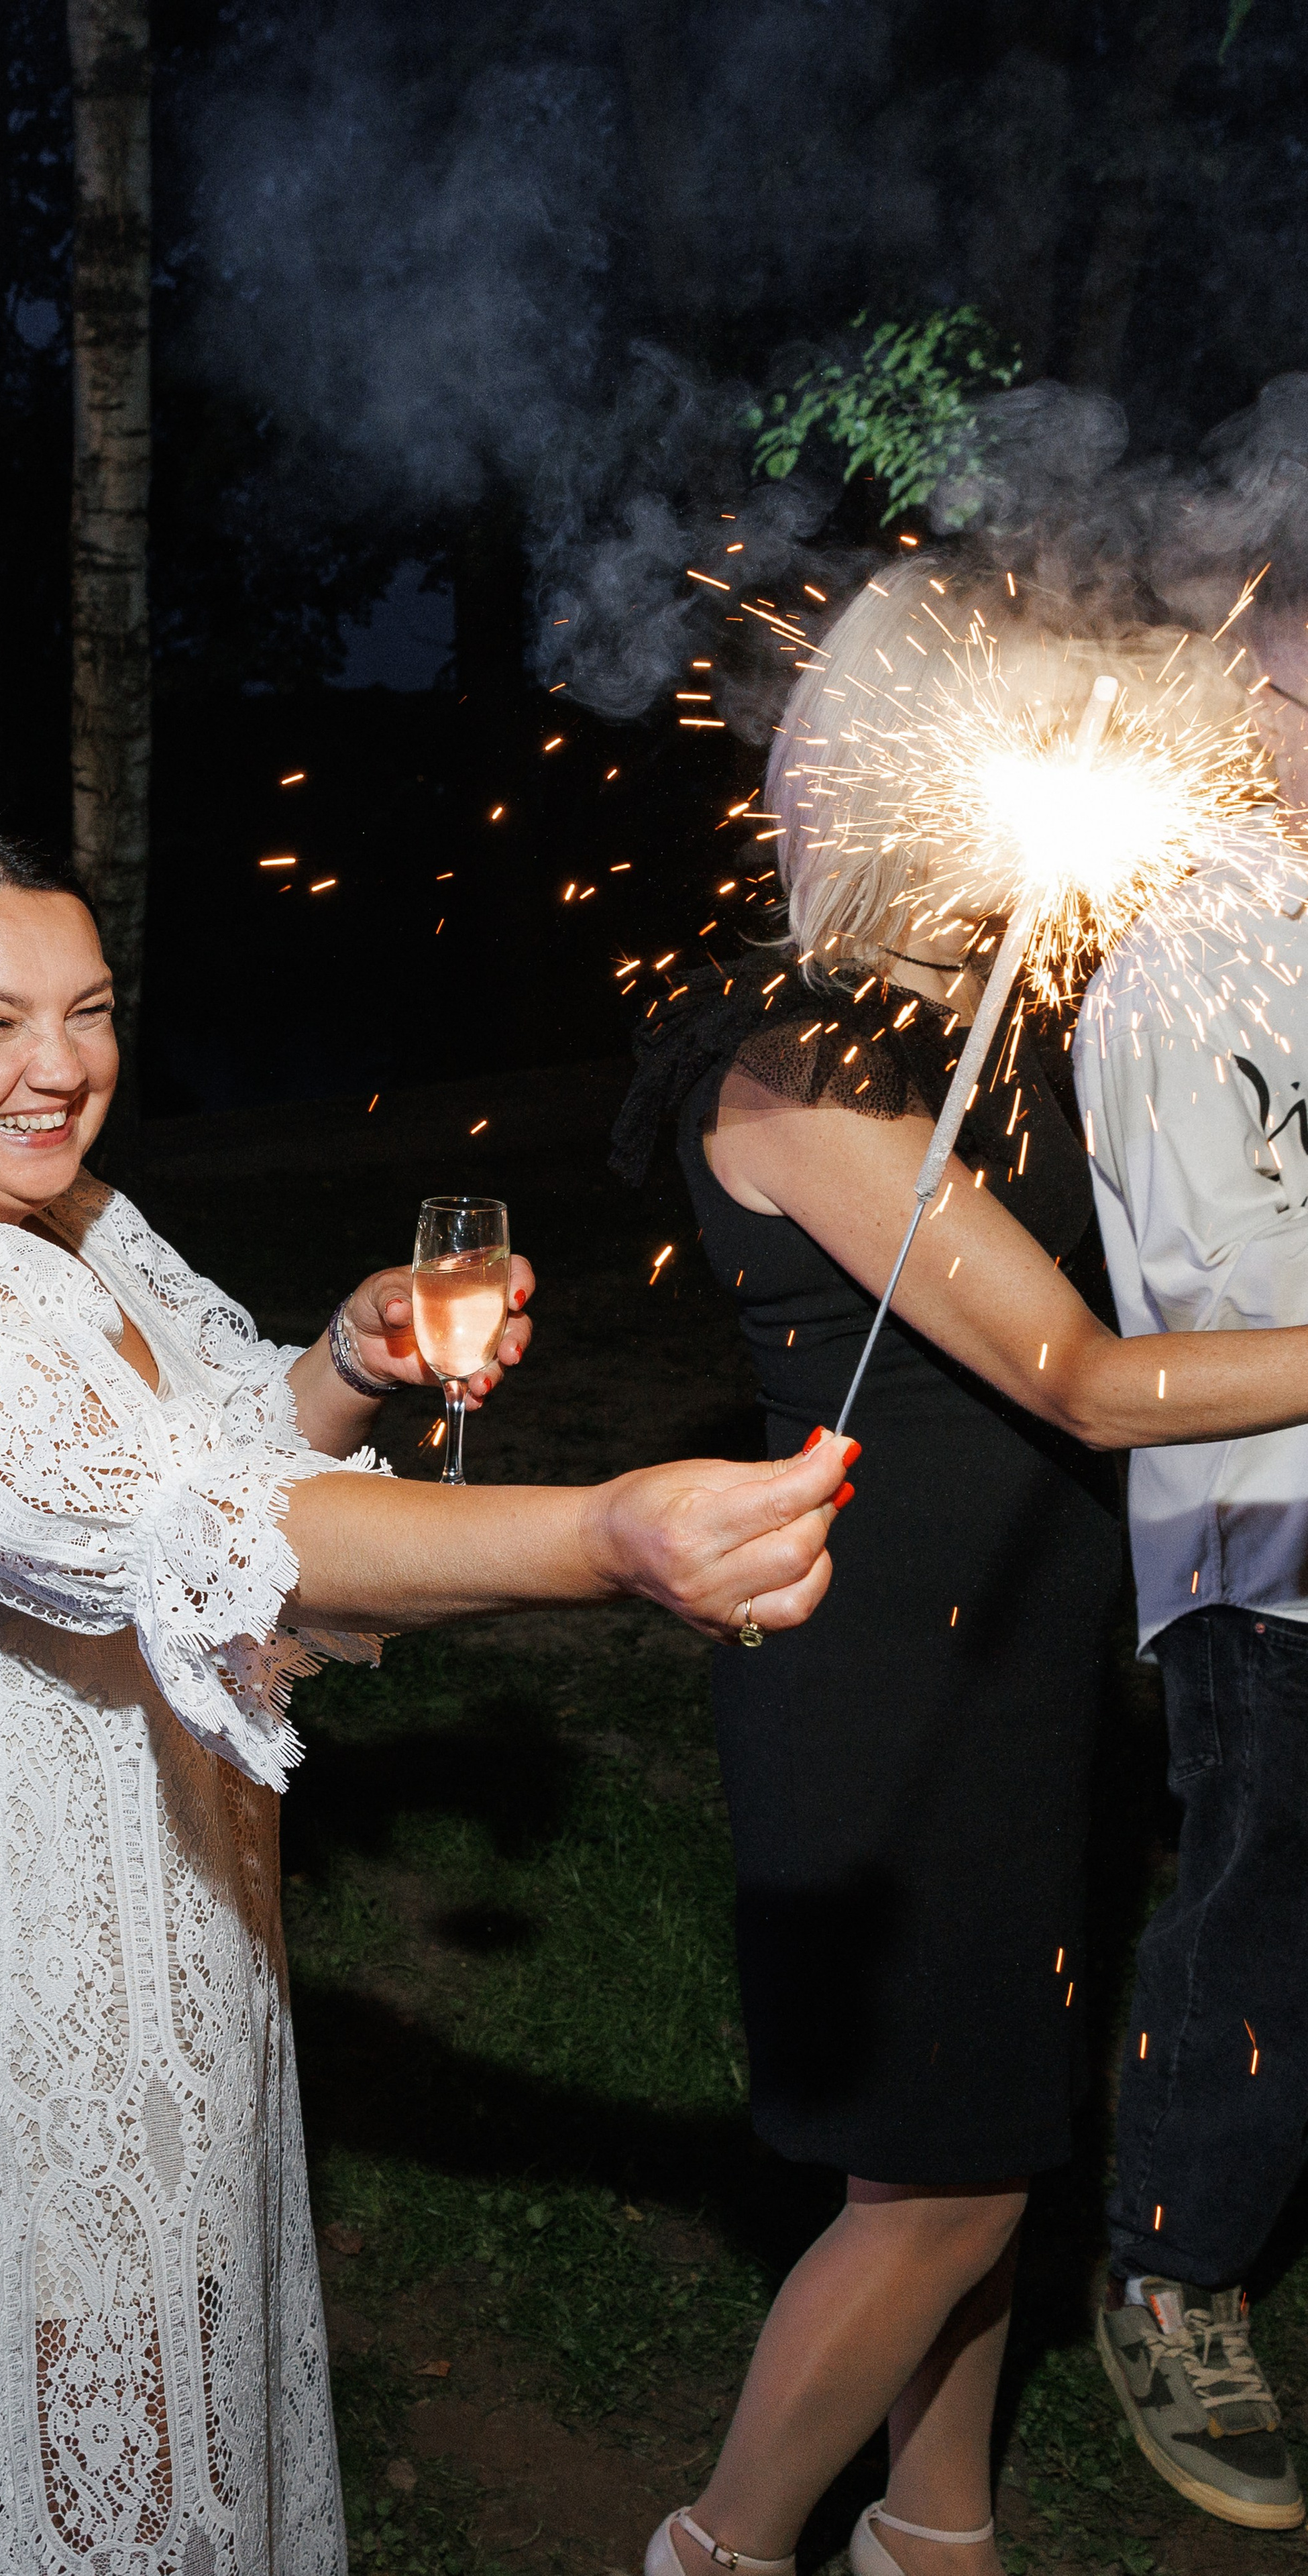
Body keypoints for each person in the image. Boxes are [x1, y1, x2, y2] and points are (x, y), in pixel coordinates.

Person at [0, 818, 855, 2576]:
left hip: (156, 1941)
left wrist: (347, 1363)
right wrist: (605, 1537)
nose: (59, 1069)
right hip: (0, 2021)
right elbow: (191, 1535)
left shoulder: (61, 1215)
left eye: (89, 1011)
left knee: (186, 2456)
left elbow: (207, 1444)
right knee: (70, 2490)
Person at [612, 562, 1308, 2576]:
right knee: (941, 2194)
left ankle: (936, 2537)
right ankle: (722, 2550)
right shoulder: (794, 1067)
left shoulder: (978, 1032)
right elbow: (1081, 1379)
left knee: (990, 2140)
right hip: (880, 1673)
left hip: (1013, 1646)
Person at [1075, 606, 1308, 2534]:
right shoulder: (1183, 955)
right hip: (1268, 1542)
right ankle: (1174, 2265)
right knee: (1262, 1916)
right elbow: (1207, 1285)